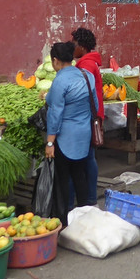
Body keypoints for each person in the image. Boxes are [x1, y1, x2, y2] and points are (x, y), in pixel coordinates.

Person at [44, 41, 98, 221]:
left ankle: (65, 219)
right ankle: (84, 215)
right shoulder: (87, 75)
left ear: (55, 60)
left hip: (65, 137)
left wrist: (50, 142)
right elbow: (95, 106)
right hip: (84, 133)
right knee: (80, 174)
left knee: (63, 179)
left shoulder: (60, 81)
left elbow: (55, 114)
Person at [71, 27, 103, 207]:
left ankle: (90, 198)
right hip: (93, 113)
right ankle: (88, 197)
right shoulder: (89, 62)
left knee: (88, 157)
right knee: (88, 156)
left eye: (74, 44)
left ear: (82, 47)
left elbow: (83, 93)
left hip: (89, 115)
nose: (72, 47)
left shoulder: (86, 65)